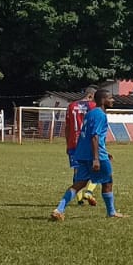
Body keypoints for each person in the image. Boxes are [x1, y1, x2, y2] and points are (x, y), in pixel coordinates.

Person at [51, 88, 125, 221]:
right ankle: (111, 212)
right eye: (110, 98)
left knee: (80, 183)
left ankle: (59, 209)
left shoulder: (90, 114)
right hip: (95, 155)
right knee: (108, 181)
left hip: (83, 154)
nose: (113, 100)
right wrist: (96, 158)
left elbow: (87, 135)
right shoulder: (100, 115)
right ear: (103, 100)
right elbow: (94, 136)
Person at [63, 86, 99, 207]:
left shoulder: (71, 106)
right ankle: (88, 192)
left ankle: (79, 200)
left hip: (74, 142)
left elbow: (67, 128)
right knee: (98, 169)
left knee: (77, 171)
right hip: (87, 142)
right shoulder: (93, 107)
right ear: (91, 96)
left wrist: (68, 144)